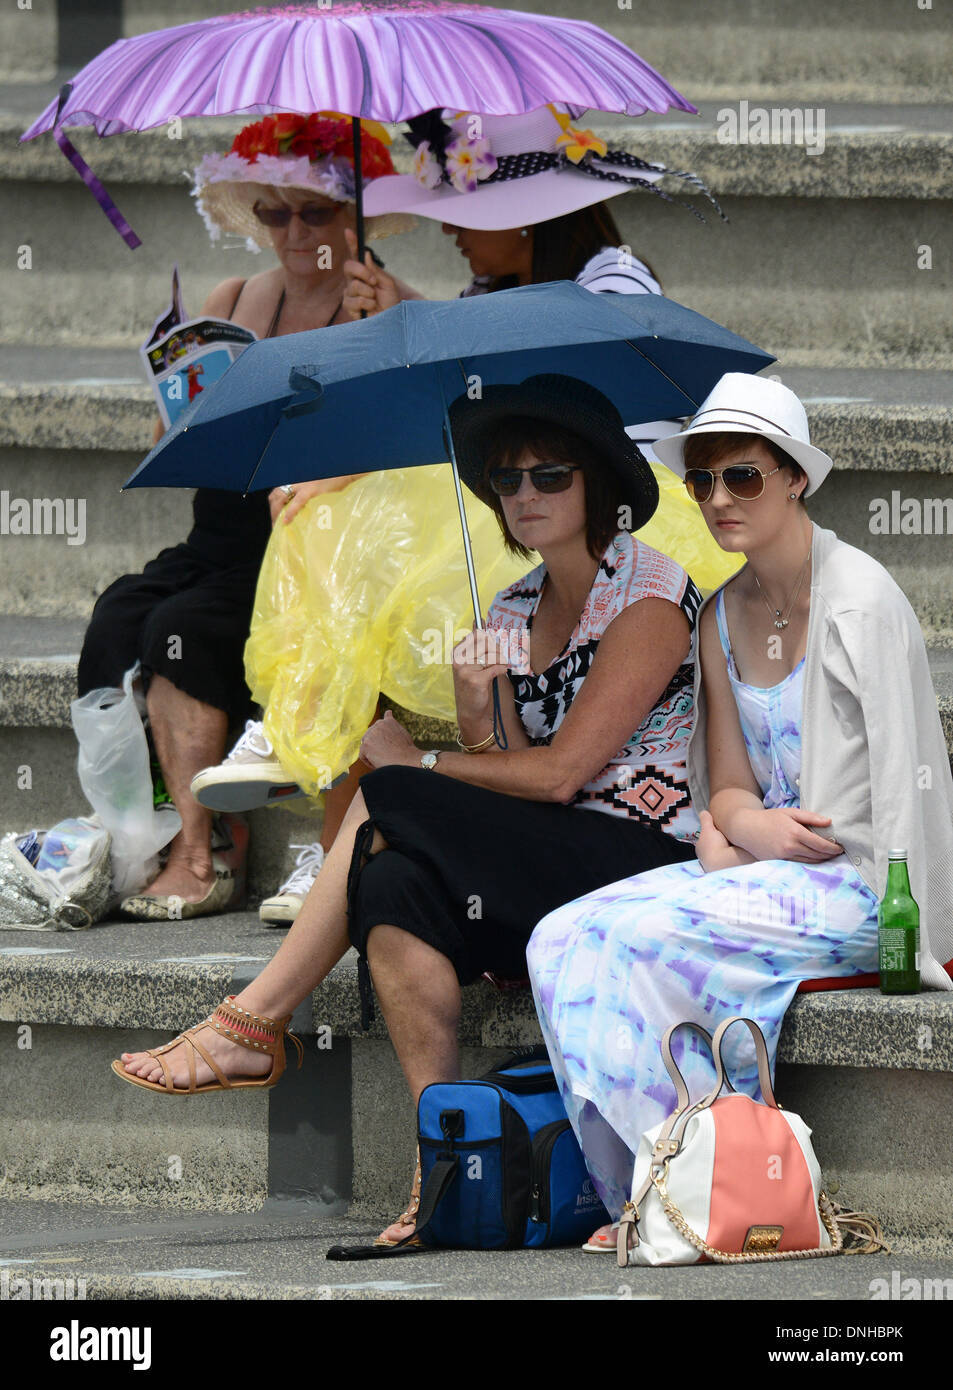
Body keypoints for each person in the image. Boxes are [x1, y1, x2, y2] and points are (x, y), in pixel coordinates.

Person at [112, 373, 707, 1251]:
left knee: (386, 790)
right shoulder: (509, 607)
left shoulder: (648, 594)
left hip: (636, 858)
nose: (526, 495)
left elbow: (561, 776)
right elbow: (507, 765)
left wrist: (423, 759)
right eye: (506, 480)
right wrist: (477, 704)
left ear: (597, 483)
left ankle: (255, 1020)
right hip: (545, 861)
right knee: (393, 886)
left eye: (550, 475)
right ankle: (442, 1175)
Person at [194, 104, 738, 925]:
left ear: (526, 218)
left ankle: (340, 801)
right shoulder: (491, 282)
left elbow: (565, 413)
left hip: (622, 504)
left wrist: (423, 763)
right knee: (325, 502)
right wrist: (402, 315)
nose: (453, 235)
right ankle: (306, 725)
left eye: (468, 218)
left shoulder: (610, 278)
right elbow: (474, 401)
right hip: (528, 517)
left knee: (372, 524)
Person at [523, 373, 953, 1251]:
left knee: (643, 938)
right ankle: (646, 1190)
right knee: (558, 934)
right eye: (702, 482)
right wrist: (748, 826)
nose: (719, 498)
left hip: (863, 885)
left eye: (743, 477)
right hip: (766, 871)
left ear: (795, 478)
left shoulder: (862, 602)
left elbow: (916, 780)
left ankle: (673, 1182)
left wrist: (916, 942)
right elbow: (723, 787)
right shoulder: (720, 616)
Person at [77, 112, 412, 921]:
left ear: (353, 216)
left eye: (317, 212)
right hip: (223, 530)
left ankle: (206, 853)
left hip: (309, 547)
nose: (296, 231)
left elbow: (411, 455)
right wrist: (175, 395)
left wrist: (380, 335)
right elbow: (175, 446)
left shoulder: (387, 304)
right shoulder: (235, 299)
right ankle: (153, 830)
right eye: (274, 212)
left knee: (180, 630)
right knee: (119, 614)